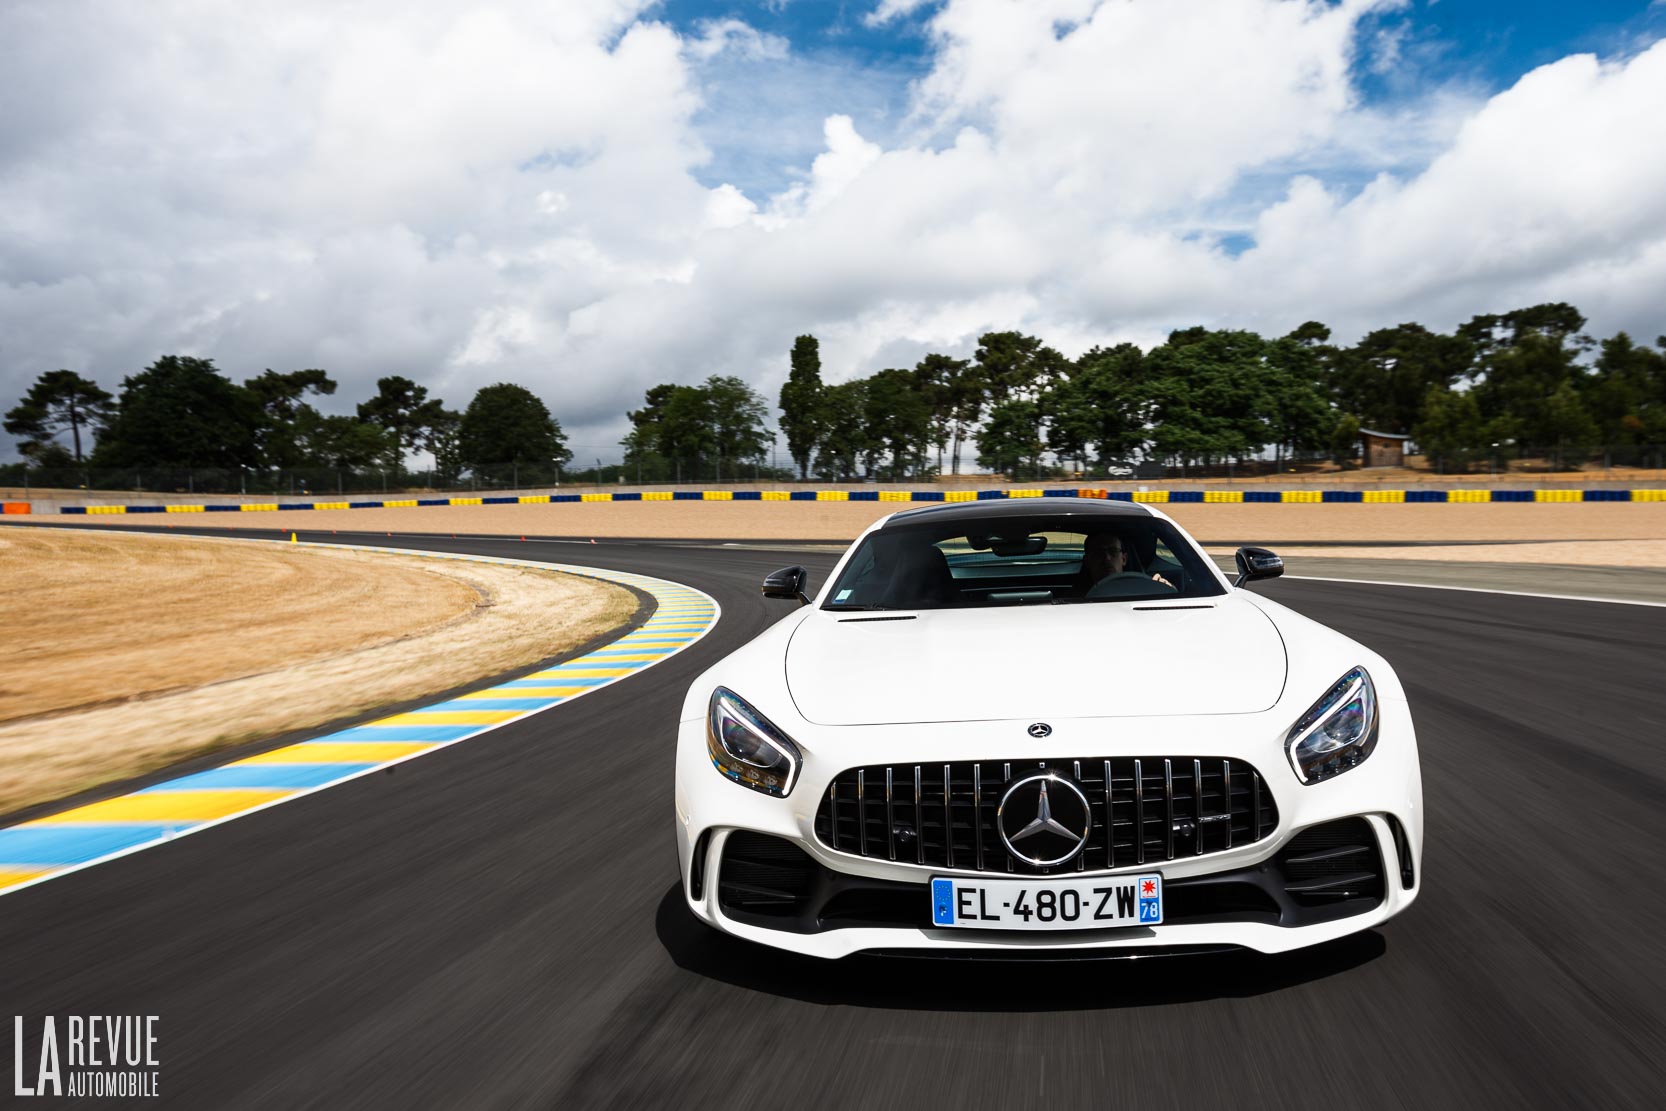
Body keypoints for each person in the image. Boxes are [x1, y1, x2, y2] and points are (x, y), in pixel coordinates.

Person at [1081, 530, 1172, 591]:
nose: (1107, 558)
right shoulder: (1073, 600)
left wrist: (1167, 590)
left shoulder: (1146, 590)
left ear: (1124, 559)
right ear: (1087, 561)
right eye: (1098, 553)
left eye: (1113, 552)